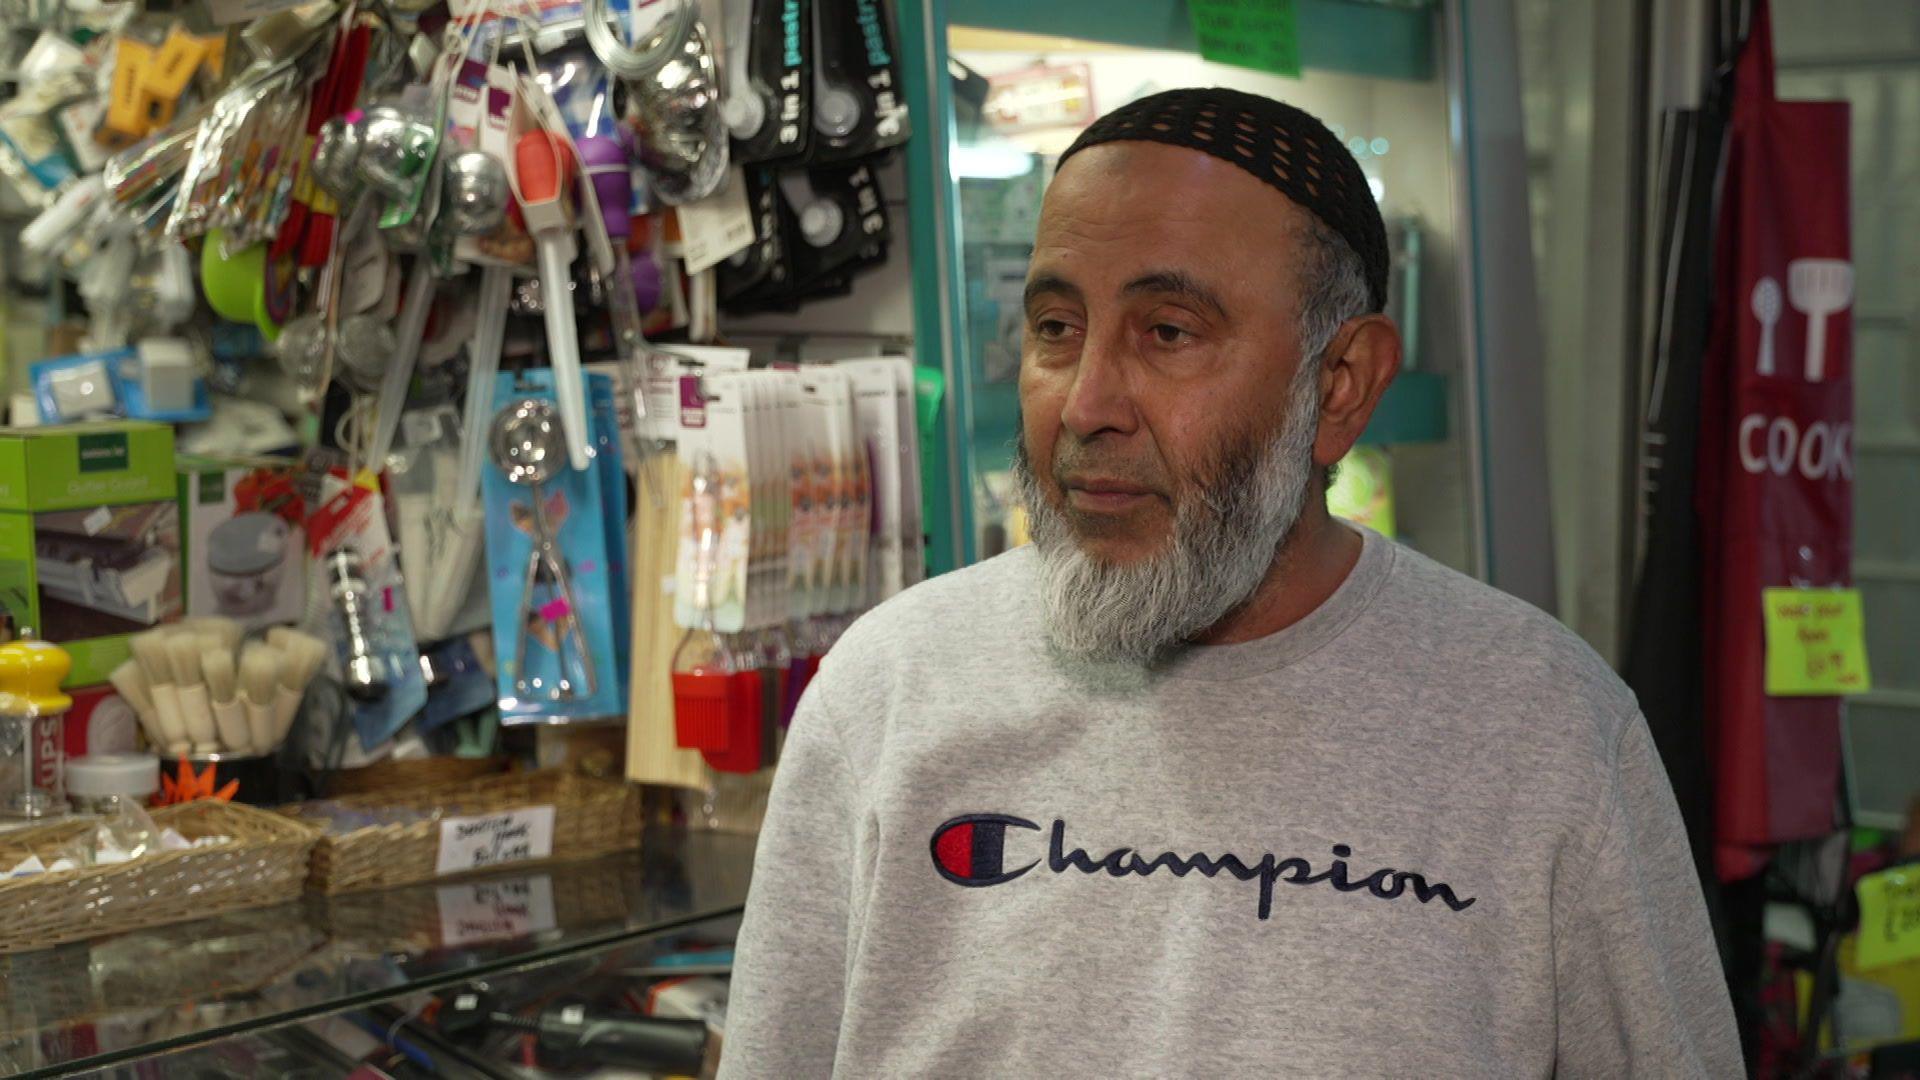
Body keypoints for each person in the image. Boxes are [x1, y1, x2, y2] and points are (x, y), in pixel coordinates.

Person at [720, 87, 1741, 1077]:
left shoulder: (1542, 728)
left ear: (1338, 388)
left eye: (1169, 332)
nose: (1086, 405)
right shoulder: (890, 691)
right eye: (1055, 330)